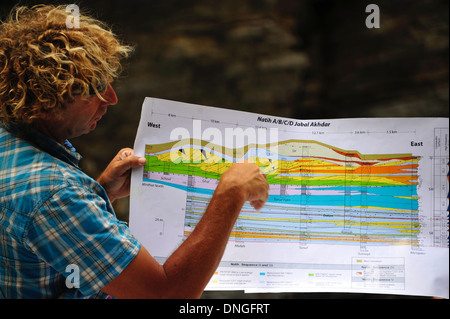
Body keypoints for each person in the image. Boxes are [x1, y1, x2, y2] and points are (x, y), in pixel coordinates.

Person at [0, 5, 269, 298]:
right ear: (44, 103)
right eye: (95, 88)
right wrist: (230, 193)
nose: (111, 99)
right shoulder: (55, 194)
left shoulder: (10, 147)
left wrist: (101, 192)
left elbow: (44, 241)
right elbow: (166, 295)